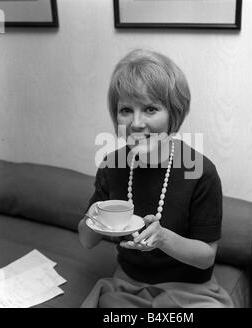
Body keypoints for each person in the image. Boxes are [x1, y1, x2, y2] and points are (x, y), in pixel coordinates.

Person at [78, 49, 234, 308]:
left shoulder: (201, 171)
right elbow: (86, 241)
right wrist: (91, 217)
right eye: (126, 110)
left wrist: (163, 238)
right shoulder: (112, 164)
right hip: (127, 287)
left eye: (150, 109)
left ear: (173, 113)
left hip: (191, 292)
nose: (136, 123)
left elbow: (206, 257)